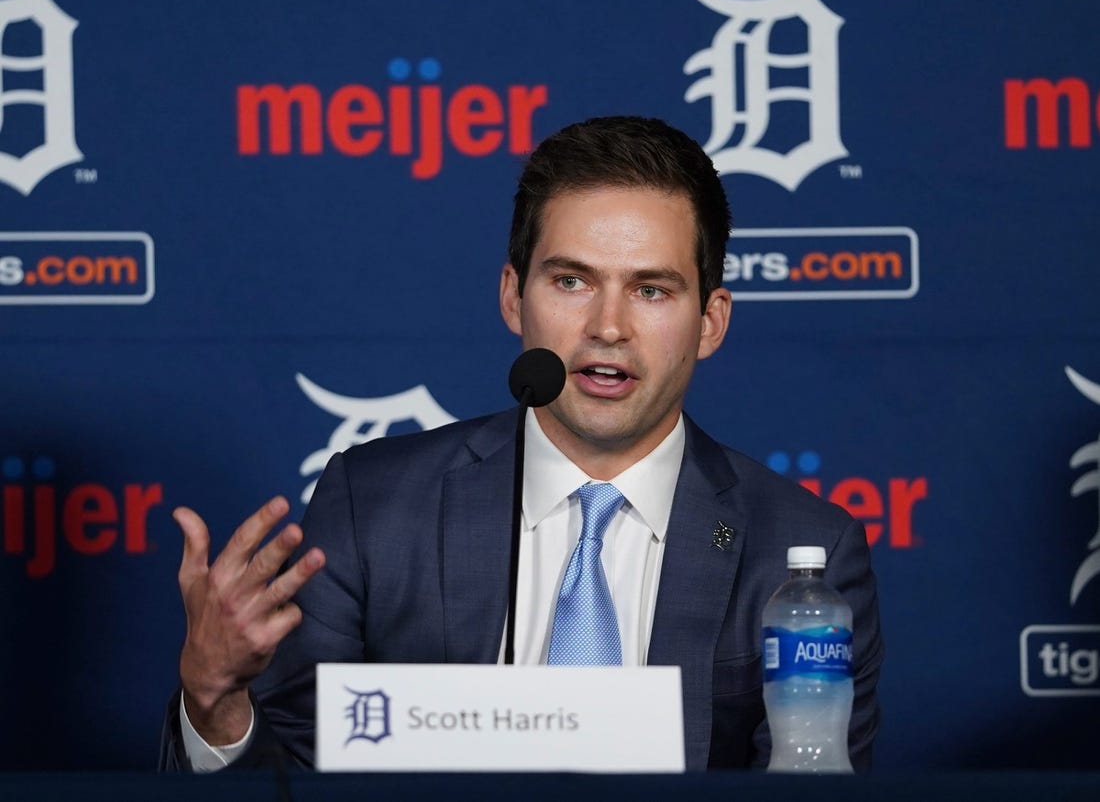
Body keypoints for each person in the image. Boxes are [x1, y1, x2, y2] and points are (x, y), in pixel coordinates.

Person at [160, 116, 883, 772]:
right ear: (513, 296)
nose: (608, 326)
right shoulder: (373, 507)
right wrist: (216, 702)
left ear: (711, 321)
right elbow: (291, 777)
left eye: (652, 290)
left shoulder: (804, 550)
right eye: (571, 280)